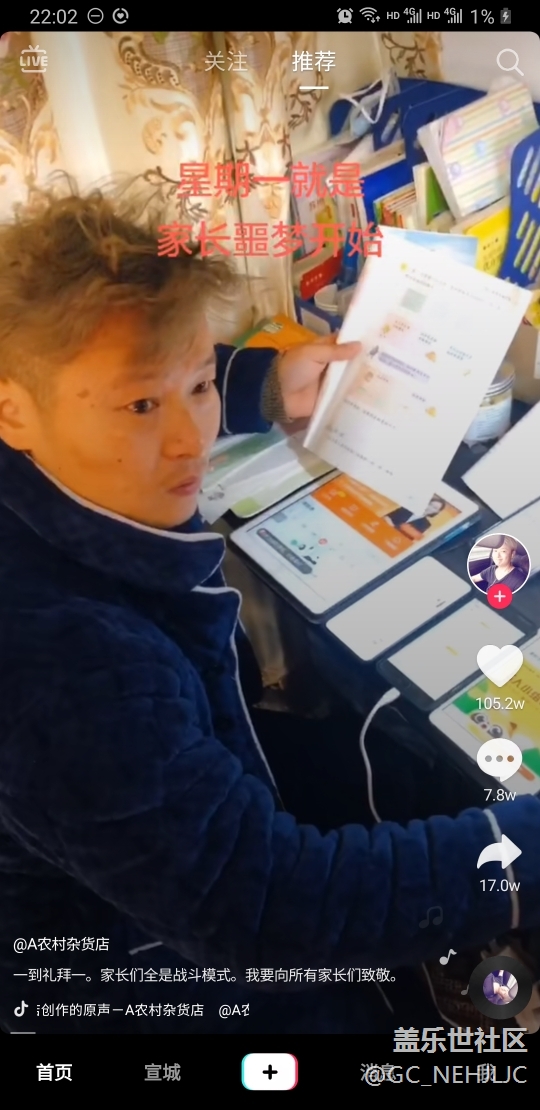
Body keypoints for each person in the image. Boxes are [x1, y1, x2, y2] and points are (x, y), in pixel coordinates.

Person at [1, 190, 540, 1036]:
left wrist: (253, 382)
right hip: (126, 965)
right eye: (141, 407)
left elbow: (148, 366)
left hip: (189, 783)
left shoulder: (40, 422)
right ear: (13, 409)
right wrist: (519, 859)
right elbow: (265, 908)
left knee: (395, 771)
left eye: (198, 387)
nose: (189, 440)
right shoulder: (69, 670)